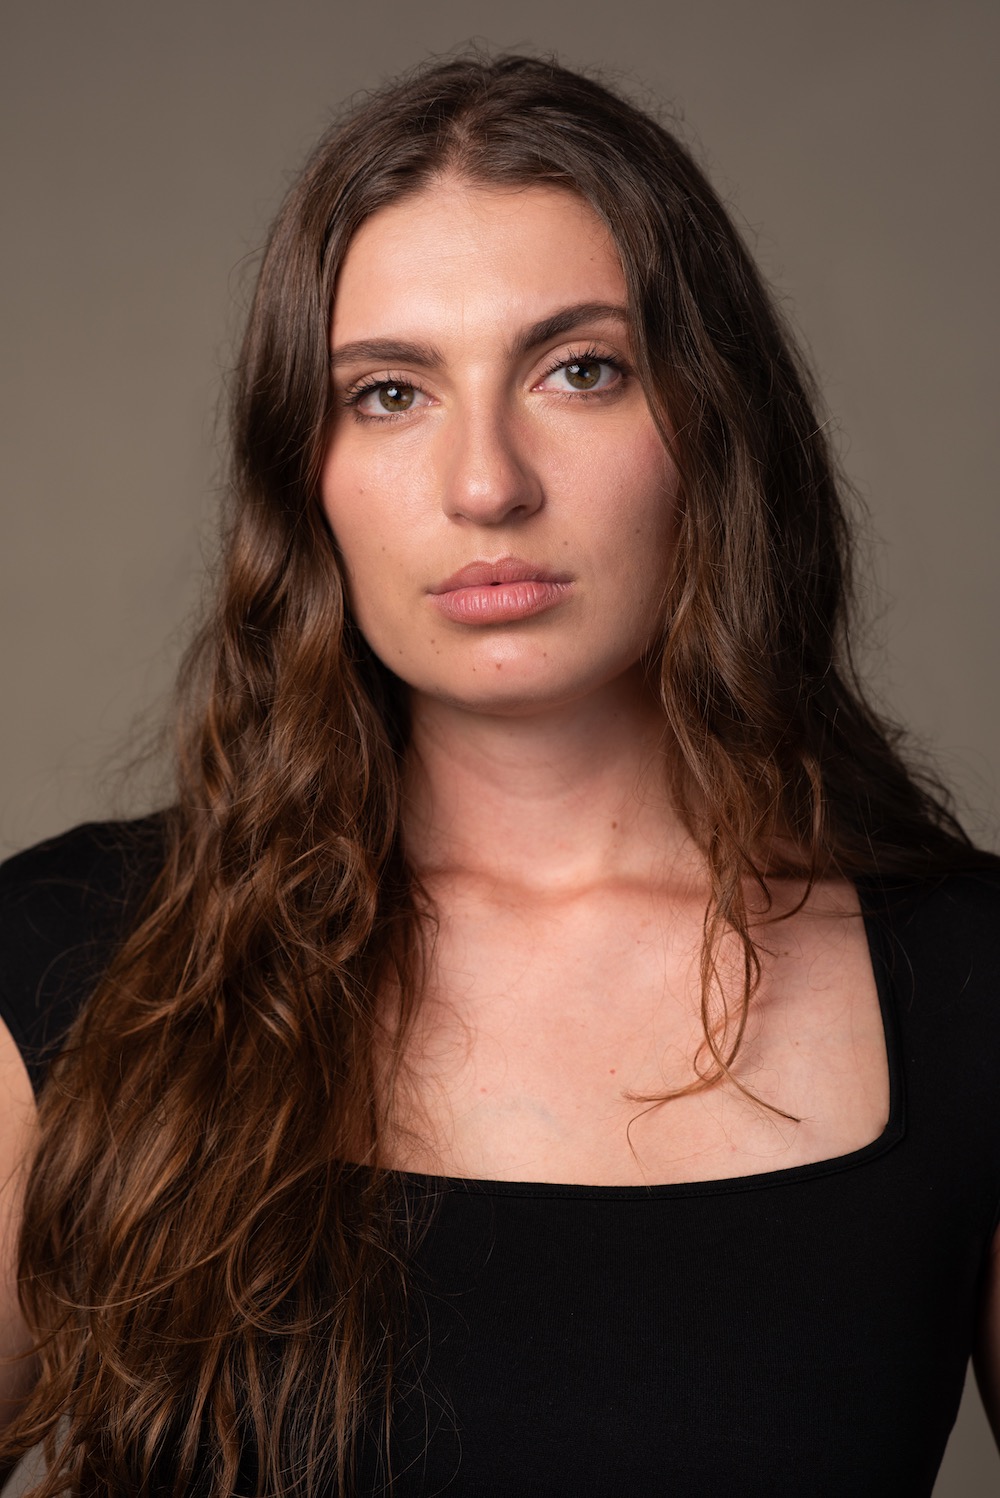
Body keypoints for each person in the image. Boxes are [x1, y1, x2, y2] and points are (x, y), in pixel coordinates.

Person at [0, 50, 998, 1498]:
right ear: (304, 473)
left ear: (711, 426)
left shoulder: (975, 987)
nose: (487, 484)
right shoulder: (71, 961)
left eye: (579, 370)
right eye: (390, 392)